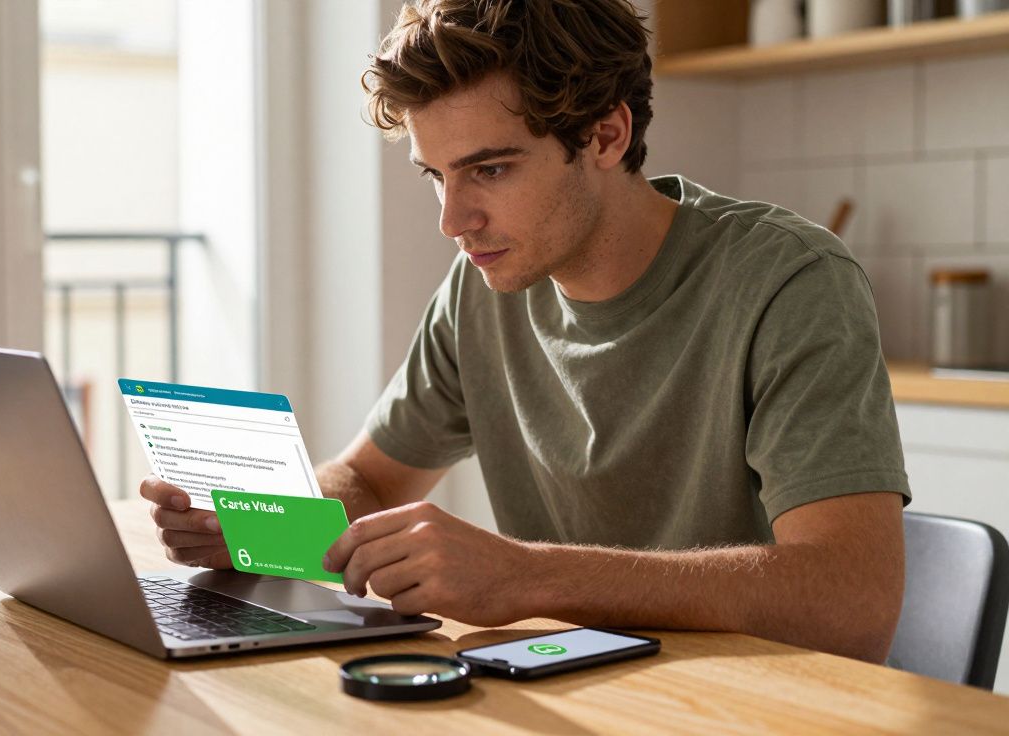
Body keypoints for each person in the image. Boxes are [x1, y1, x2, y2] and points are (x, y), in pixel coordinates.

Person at [140, 0, 910, 664]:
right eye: (437, 176)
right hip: (569, 688)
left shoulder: (789, 281)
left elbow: (853, 602)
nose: (453, 220)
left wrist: (526, 576)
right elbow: (371, 482)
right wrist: (254, 524)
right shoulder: (482, 290)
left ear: (606, 137)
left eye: (491, 170)